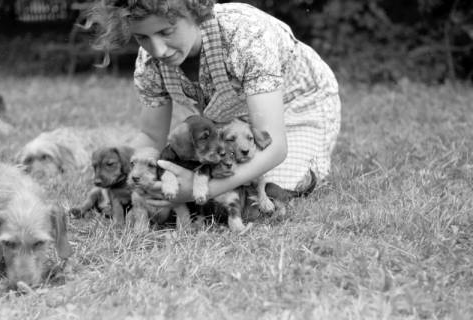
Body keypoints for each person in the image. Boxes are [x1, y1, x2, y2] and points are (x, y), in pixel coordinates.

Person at [85, 0, 341, 207]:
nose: (159, 49)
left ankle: (306, 163)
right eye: (142, 37)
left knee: (262, 196)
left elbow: (274, 143)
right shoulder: (149, 64)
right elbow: (151, 136)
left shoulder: (247, 35)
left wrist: (203, 190)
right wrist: (134, 179)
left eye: (166, 31)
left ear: (195, 10)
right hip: (232, 128)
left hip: (297, 109)